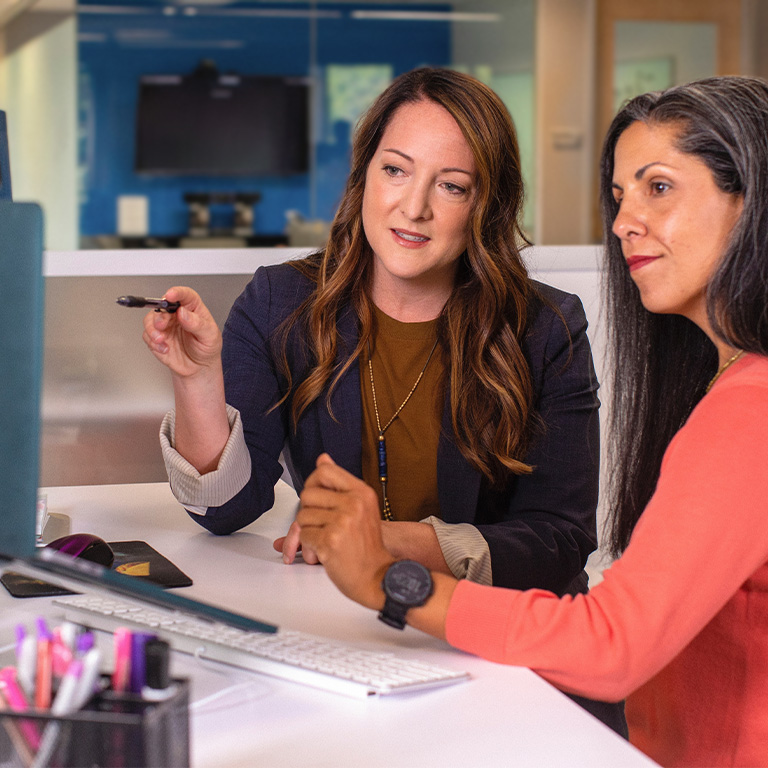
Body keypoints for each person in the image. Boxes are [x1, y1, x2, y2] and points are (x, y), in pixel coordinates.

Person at [295, 75, 768, 768]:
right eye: (619, 196)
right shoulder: (730, 384)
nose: (624, 221)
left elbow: (610, 646)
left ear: (752, 201)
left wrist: (390, 583)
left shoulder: (750, 409)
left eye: (658, 187)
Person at [143, 68, 624, 732]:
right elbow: (227, 510)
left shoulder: (546, 327)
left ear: (486, 204)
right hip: (351, 643)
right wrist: (197, 379)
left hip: (501, 655)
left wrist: (389, 545)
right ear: (365, 173)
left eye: (451, 186)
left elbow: (561, 541)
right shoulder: (282, 303)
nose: (413, 207)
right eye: (396, 170)